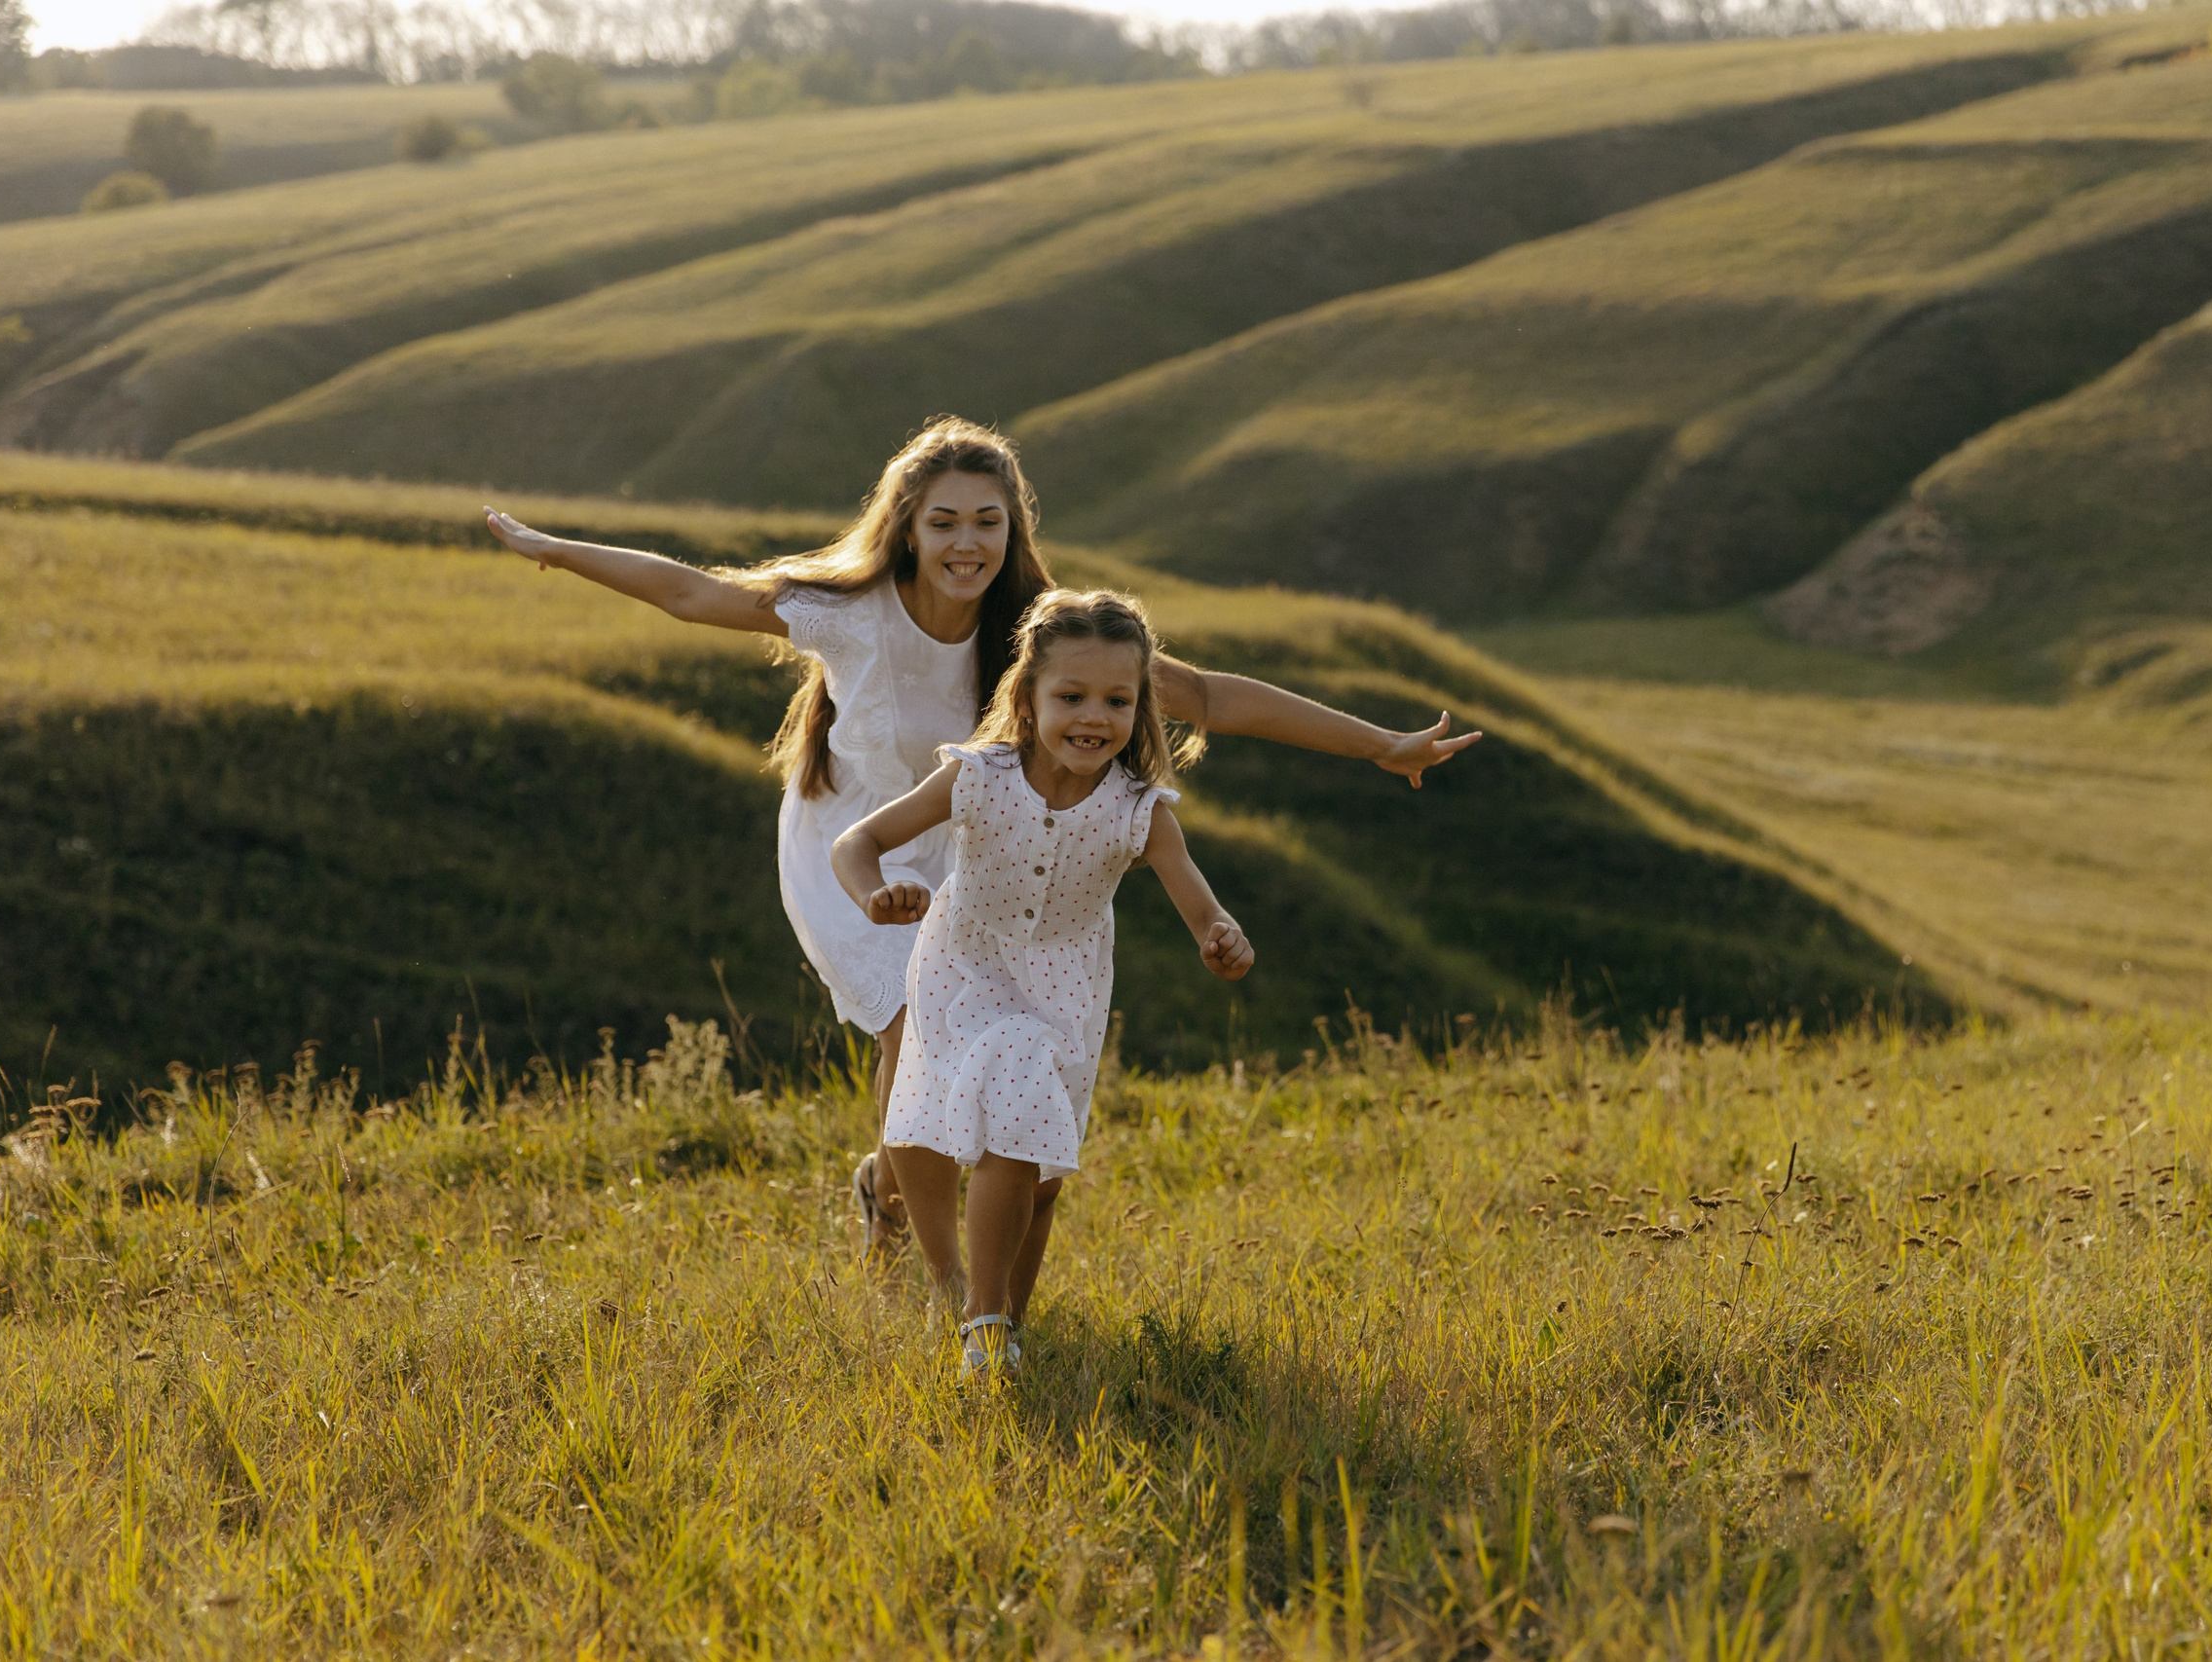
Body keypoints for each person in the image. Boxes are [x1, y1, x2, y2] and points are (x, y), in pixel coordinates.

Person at [480, 417, 1479, 1270]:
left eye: (987, 523)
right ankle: (943, 1278)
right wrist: (553, 549)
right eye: (945, 521)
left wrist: (1379, 745)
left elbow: (1209, 698)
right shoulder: (848, 611)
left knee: (954, 1040)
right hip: (848, 839)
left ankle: (886, 1182)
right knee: (913, 1020)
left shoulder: (1032, 634)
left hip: (967, 851)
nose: (967, 542)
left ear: (1014, 530)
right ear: (906, 527)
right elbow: (694, 592)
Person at [832, 589, 1240, 1375]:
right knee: (963, 1119)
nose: (1094, 716)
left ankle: (1006, 1321)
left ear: (1141, 708)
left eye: (1117, 700)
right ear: (1027, 699)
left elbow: (1198, 900)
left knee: (1039, 1179)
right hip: (963, 967)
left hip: (1065, 990)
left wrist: (1222, 937)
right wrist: (873, 895)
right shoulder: (976, 778)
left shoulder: (1139, 810)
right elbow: (861, 840)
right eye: (1071, 696)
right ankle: (980, 1323)